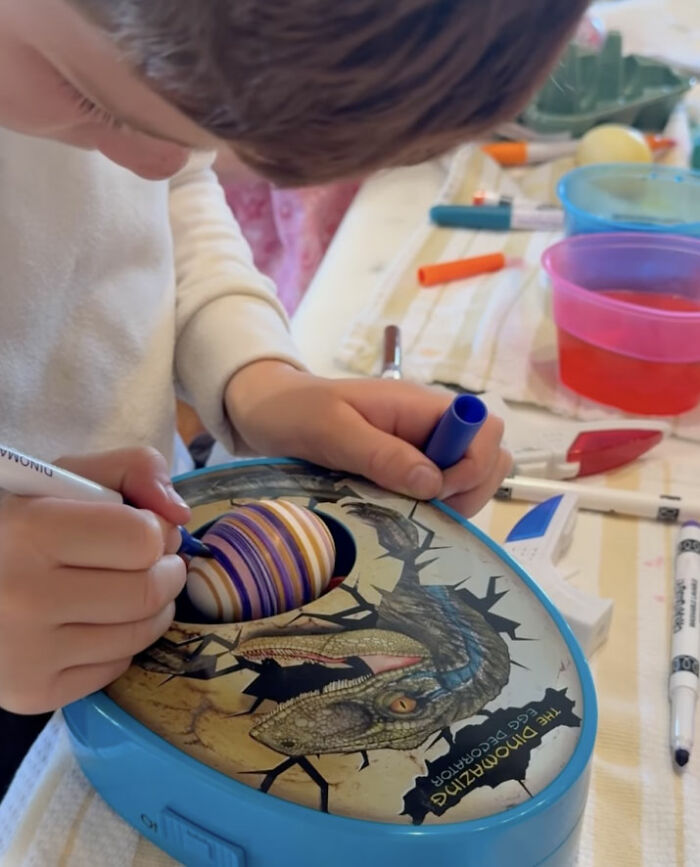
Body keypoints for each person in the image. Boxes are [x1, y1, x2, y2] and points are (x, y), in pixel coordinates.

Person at [0, 0, 588, 794]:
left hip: (142, 565)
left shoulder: (116, 91)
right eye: (93, 101)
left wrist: (252, 376)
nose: (153, 162)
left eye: (205, 135)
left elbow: (168, 190)